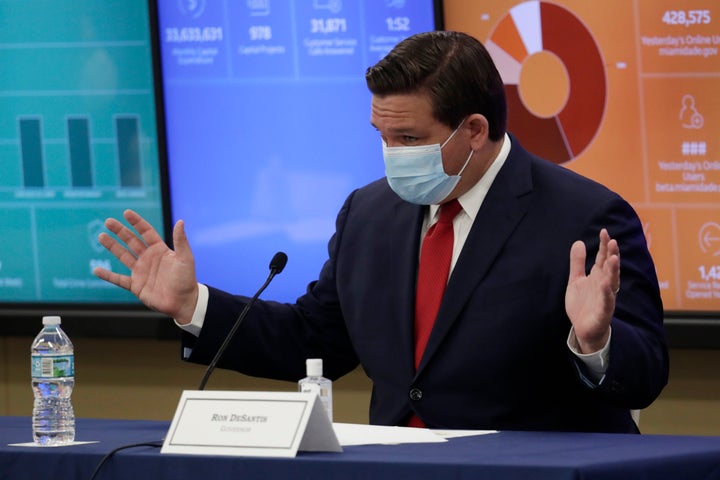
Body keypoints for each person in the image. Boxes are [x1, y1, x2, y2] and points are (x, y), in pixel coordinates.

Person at [94, 30, 668, 433]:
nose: (392, 156)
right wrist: (193, 305)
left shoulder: (584, 217)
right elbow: (313, 341)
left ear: (473, 129)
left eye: (410, 140)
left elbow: (644, 378)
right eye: (382, 137)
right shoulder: (369, 213)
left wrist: (596, 343)